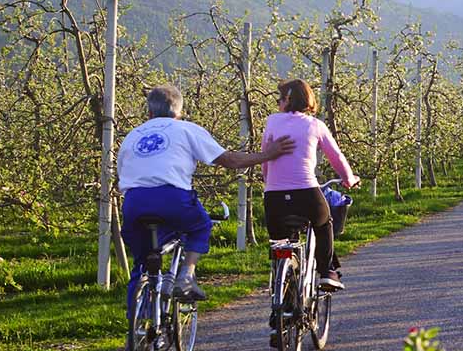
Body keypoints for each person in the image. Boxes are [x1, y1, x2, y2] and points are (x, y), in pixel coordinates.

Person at [118, 85, 294, 309]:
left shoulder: (132, 135)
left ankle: (138, 331)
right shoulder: (186, 129)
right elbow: (230, 161)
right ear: (179, 112)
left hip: (134, 202)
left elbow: (123, 174)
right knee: (201, 225)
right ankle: (186, 276)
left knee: (143, 264)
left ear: (149, 113)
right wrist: (268, 155)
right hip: (173, 198)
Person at [261, 78, 360, 299]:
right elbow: (336, 157)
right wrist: (349, 178)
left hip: (274, 198)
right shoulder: (315, 125)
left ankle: (283, 302)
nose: (278, 104)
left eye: (280, 99)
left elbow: (265, 158)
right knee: (324, 223)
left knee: (280, 246)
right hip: (306, 192)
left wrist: (269, 183)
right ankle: (326, 272)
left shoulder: (272, 122)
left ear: (287, 100)